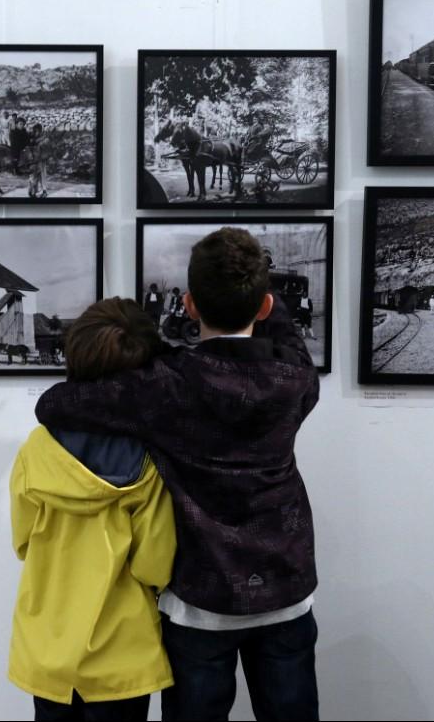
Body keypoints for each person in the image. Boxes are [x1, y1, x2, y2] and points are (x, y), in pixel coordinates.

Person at [34, 228, 321, 721]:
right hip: (286, 587)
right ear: (265, 307)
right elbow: (286, 331)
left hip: (199, 599)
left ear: (188, 304)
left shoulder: (167, 386)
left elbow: (53, 404)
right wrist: (267, 309)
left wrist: (157, 352)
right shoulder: (295, 377)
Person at [9, 297, 176, 721]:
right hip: (121, 653)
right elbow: (155, 566)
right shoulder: (149, 460)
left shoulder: (36, 448)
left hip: (49, 643)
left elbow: (23, 541)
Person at [27, 123, 48, 198]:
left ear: (40, 131)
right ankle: (33, 190)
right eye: (34, 131)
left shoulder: (44, 138)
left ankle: (44, 191)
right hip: (34, 160)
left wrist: (37, 142)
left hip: (41, 160)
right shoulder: (33, 138)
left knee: (42, 175)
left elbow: (42, 147)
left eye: (37, 131)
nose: (35, 133)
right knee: (33, 175)